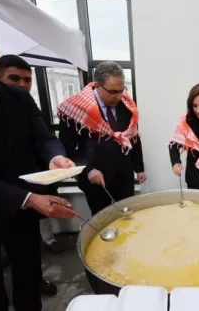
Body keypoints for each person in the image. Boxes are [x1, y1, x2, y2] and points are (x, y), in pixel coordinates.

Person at [0, 8, 78, 311]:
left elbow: (43, 137)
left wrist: (56, 157)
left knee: (28, 277)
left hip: (22, 216)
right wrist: (27, 198)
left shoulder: (18, 98)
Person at [0, 54, 63, 295]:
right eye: (14, 78)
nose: (23, 85)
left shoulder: (26, 104)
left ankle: (34, 283)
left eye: (27, 80)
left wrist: (56, 157)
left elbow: (45, 138)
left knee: (27, 252)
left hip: (25, 194)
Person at [58, 62, 146, 215]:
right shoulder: (76, 110)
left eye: (121, 90)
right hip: (95, 178)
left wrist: (139, 167)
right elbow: (68, 149)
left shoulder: (126, 105)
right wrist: (88, 170)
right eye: (112, 91)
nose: (118, 96)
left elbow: (133, 136)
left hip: (124, 174)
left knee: (126, 216)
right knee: (101, 218)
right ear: (97, 85)